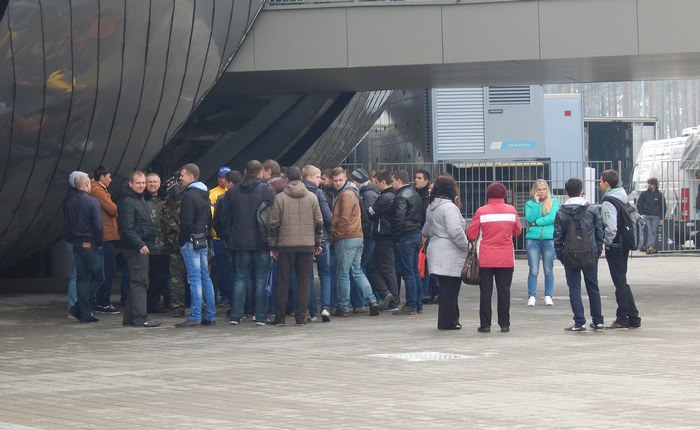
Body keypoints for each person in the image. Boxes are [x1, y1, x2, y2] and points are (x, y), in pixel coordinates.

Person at [267, 166, 323, 326]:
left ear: (287, 179)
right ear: (301, 177)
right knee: (304, 281)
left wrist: (273, 246)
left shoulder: (280, 198)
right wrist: (317, 242)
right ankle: (300, 317)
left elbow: (274, 225)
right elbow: (319, 222)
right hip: (306, 245)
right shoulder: (312, 197)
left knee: (283, 282)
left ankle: (280, 317)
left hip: (285, 246)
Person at [224, 160, 277, 326]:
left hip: (239, 241)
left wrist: (229, 236)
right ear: (261, 173)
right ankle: (260, 316)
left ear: (245, 172)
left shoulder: (233, 191)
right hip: (261, 241)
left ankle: (236, 315)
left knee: (240, 277)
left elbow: (225, 217)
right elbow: (273, 217)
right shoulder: (267, 190)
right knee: (261, 278)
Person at [467, 182, 522, 333]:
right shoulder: (511, 211)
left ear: (488, 195)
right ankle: (504, 324)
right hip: (505, 258)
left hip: (486, 258)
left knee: (485, 292)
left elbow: (471, 233)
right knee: (504, 291)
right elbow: (517, 231)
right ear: (504, 195)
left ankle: (485, 324)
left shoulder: (482, 211)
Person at [553, 178, 605, 331]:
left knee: (574, 288)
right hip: (590, 253)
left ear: (566, 192)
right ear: (582, 191)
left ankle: (579, 321)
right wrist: (597, 250)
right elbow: (599, 232)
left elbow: (557, 238)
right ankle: (598, 320)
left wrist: (562, 255)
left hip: (570, 254)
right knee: (593, 286)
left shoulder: (561, 212)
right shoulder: (592, 209)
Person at [329, 167, 381, 317]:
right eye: (335, 181)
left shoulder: (345, 194)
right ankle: (372, 301)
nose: (337, 183)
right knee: (357, 271)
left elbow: (344, 218)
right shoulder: (353, 192)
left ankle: (343, 307)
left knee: (343, 273)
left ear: (346, 178)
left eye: (340, 180)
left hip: (347, 238)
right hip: (357, 236)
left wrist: (336, 236)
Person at [175, 163, 217, 327]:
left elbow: (186, 222)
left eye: (183, 175)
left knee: (194, 280)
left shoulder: (189, 195)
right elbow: (209, 219)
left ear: (191, 176)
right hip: (202, 240)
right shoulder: (205, 193)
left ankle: (195, 315)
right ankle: (211, 315)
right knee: (205, 277)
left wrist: (182, 240)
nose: (180, 178)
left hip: (190, 241)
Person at [424, 176, 468, 330]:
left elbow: (428, 229)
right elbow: (455, 231)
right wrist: (467, 246)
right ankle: (447, 322)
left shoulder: (431, 206)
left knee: (445, 288)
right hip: (450, 252)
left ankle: (452, 319)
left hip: (435, 248)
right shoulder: (449, 207)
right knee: (451, 289)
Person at [118, 171, 161, 328]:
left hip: (141, 245)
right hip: (135, 247)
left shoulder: (138, 198)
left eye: (143, 183)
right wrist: (140, 244)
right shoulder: (128, 202)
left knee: (139, 281)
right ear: (130, 183)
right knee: (140, 282)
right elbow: (126, 228)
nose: (142, 186)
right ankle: (140, 318)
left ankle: (130, 317)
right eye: (139, 183)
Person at [600, 169, 642, 329]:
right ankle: (633, 317)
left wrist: (607, 242)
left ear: (607, 183)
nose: (599, 183)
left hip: (615, 245)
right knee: (622, 280)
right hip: (625, 243)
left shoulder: (608, 202)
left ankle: (622, 318)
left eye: (601, 180)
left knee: (619, 282)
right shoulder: (622, 197)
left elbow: (610, 227)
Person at [64, 173, 104, 323]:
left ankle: (82, 311)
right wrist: (100, 242)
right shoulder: (93, 202)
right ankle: (80, 307)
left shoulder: (69, 202)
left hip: (76, 243)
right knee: (98, 276)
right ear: (87, 184)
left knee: (82, 278)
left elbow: (66, 225)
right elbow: (98, 226)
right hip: (90, 243)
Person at [302, 165, 334, 322]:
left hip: (306, 239)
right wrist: (330, 230)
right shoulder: (318, 193)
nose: (320, 180)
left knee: (307, 276)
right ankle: (326, 308)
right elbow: (327, 216)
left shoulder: (300, 192)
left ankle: (312, 312)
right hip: (322, 238)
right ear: (309, 177)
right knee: (325, 274)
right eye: (317, 177)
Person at [390, 170, 424, 315]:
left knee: (408, 272)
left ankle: (410, 304)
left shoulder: (401, 196)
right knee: (414, 271)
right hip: (416, 233)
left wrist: (396, 238)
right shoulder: (415, 193)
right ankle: (418, 303)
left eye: (393, 181)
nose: (392, 184)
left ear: (398, 181)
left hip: (406, 236)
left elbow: (399, 218)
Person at [366, 170, 399, 311]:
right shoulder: (393, 195)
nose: (375, 185)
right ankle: (387, 295)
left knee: (384, 268)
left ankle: (392, 299)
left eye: (377, 183)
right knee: (379, 267)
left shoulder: (385, 198)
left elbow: (371, 212)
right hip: (386, 235)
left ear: (383, 182)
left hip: (384, 236)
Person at [524, 179, 560, 307]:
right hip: (532, 238)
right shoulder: (529, 203)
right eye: (539, 189)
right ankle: (532, 296)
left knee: (548, 269)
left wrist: (536, 223)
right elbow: (529, 218)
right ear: (535, 191)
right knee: (533, 269)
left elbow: (552, 218)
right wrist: (536, 204)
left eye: (544, 189)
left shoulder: (554, 202)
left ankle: (548, 295)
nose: (542, 192)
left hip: (548, 238)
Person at [90, 165, 120, 314]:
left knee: (105, 269)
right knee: (108, 269)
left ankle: (101, 301)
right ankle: (103, 302)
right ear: (102, 177)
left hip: (106, 235)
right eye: (109, 177)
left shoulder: (97, 189)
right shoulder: (97, 190)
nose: (111, 180)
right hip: (106, 236)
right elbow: (113, 209)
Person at [349, 167, 379, 312]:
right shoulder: (365, 193)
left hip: (364, 236)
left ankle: (358, 301)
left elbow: (367, 218)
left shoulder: (366, 195)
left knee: (357, 269)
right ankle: (368, 299)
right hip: (364, 236)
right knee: (359, 269)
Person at [144, 173, 170, 314]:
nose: (153, 184)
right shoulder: (141, 200)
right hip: (146, 245)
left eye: (155, 182)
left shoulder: (165, 199)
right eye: (150, 182)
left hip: (163, 246)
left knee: (160, 277)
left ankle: (154, 303)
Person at [209, 166, 232, 305]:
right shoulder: (212, 193)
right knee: (220, 268)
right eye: (223, 177)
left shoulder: (233, 191)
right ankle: (224, 294)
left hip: (230, 236)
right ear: (219, 178)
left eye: (227, 177)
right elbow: (212, 214)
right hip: (217, 237)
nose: (224, 179)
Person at [636, 177, 666, 254]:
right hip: (646, 215)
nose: (649, 185)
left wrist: (662, 218)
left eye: (651, 184)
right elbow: (639, 204)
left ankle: (650, 246)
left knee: (653, 231)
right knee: (649, 230)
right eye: (648, 183)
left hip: (655, 216)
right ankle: (649, 246)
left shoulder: (659, 195)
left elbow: (663, 206)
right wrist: (642, 213)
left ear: (655, 185)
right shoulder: (644, 194)